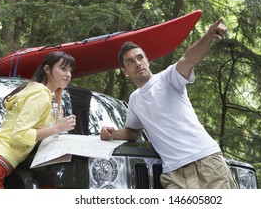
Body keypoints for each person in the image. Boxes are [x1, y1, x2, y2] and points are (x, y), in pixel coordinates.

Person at [100, 17, 237, 189]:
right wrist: (111, 134)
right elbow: (133, 132)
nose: (137, 63)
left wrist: (208, 36)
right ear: (124, 71)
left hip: (205, 162)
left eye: (140, 58)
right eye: (130, 62)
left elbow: (188, 59)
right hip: (174, 174)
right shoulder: (134, 100)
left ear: (147, 60)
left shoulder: (168, 78)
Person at [0, 51, 77, 189]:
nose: (68, 74)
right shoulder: (40, 94)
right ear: (47, 69)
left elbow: (52, 123)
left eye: (70, 70)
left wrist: (58, 96)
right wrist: (57, 129)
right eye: (63, 68)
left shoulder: (36, 91)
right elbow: (19, 135)